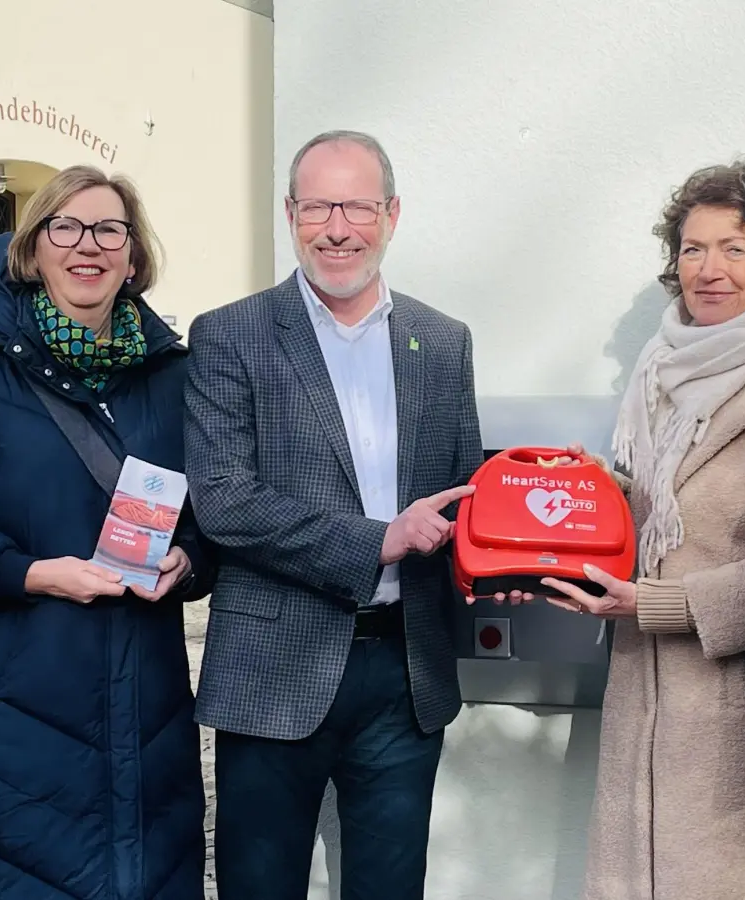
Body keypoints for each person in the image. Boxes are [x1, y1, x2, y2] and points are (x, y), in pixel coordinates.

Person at [0, 164, 215, 900]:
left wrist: (191, 560)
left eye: (108, 230)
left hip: (140, 714)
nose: (86, 246)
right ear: (34, 248)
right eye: (66, 226)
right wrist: (29, 571)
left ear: (133, 256)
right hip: (0, 719)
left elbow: (211, 516)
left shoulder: (172, 378)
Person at [183, 130, 483, 900]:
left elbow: (464, 493)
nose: (338, 227)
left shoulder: (443, 342)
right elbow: (225, 503)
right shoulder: (230, 335)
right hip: (272, 667)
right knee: (260, 887)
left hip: (403, 672)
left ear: (392, 214)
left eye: (356, 205)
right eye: (317, 206)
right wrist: (379, 539)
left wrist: (514, 551)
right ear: (290, 213)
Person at [535, 161, 745, 900]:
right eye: (693, 249)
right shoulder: (658, 374)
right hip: (641, 698)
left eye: (734, 248)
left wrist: (656, 606)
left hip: (742, 718)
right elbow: (667, 514)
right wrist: (595, 496)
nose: (708, 269)